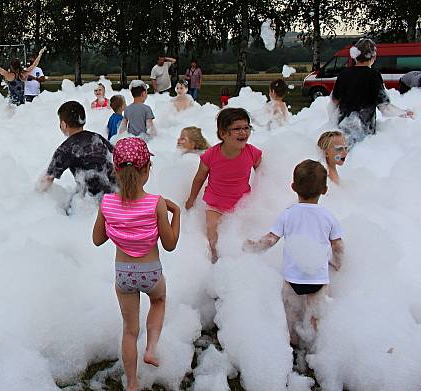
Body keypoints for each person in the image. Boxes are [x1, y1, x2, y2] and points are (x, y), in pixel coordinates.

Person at [92, 137, 181, 391]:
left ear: (116, 170)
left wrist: (115, 223)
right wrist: (177, 215)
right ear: (146, 170)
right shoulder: (156, 203)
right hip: (150, 271)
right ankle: (151, 348)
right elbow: (170, 244)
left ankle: (132, 383)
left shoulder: (107, 203)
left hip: (124, 275)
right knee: (159, 301)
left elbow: (98, 240)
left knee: (129, 331)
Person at [244, 159, 344, 346]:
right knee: (316, 316)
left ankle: (292, 343)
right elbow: (338, 246)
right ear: (324, 190)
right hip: (318, 279)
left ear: (293, 186)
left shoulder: (288, 214)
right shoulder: (328, 217)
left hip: (292, 279)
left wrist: (253, 247)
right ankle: (314, 349)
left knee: (291, 314)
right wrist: (337, 263)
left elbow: (270, 240)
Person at [185, 108, 262, 263]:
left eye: (247, 128)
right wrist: (191, 199)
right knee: (213, 240)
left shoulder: (252, 153)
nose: (243, 132)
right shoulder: (211, 155)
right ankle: (215, 263)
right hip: (215, 205)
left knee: (241, 239)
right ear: (223, 133)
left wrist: (263, 197)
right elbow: (199, 178)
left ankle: (242, 262)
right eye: (237, 129)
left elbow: (264, 175)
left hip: (241, 204)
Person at [331, 38, 414, 144]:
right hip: (364, 133)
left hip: (342, 130)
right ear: (373, 56)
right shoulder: (373, 75)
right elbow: (384, 107)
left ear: (355, 55)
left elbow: (334, 101)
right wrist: (404, 113)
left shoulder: (344, 73)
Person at [37, 101, 116, 196]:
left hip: (91, 198)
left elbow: (48, 178)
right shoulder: (97, 137)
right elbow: (115, 154)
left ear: (63, 124)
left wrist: (37, 194)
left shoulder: (66, 148)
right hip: (114, 190)